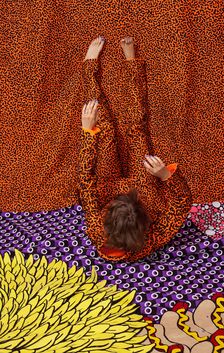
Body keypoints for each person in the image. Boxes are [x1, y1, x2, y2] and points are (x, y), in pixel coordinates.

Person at [78, 36, 192, 262]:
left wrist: (87, 131)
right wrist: (165, 176)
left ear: (107, 220)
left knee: (103, 128)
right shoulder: (154, 237)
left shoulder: (97, 229)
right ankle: (132, 63)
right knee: (137, 131)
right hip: (145, 195)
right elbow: (181, 202)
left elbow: (85, 180)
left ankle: (89, 67)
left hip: (109, 188)